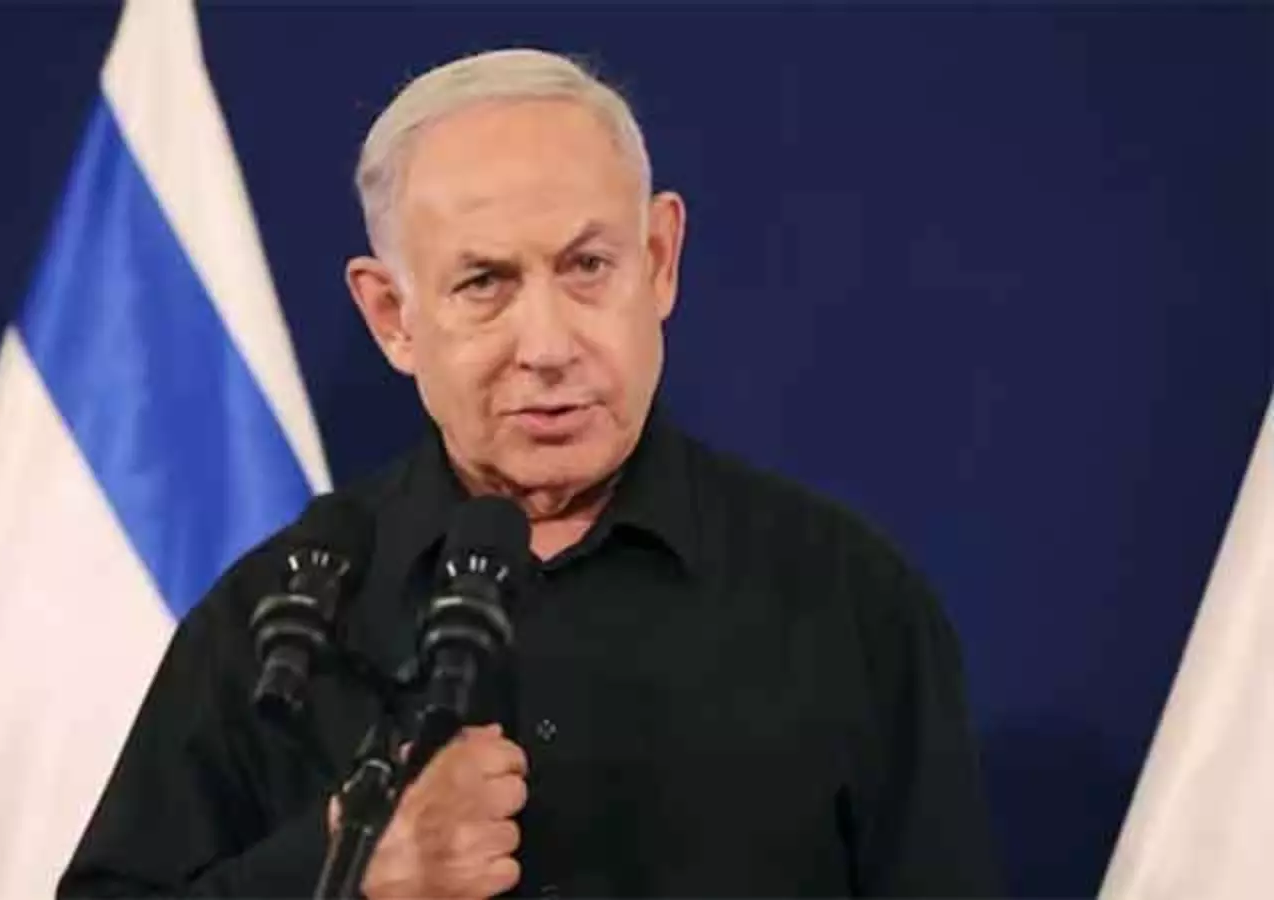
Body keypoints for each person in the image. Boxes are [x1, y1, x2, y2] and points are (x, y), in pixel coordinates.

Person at [58, 47, 1001, 898]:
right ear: (393, 317)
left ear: (659, 261)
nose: (548, 346)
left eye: (588, 265)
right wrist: (344, 862)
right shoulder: (281, 620)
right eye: (485, 283)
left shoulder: (847, 601)